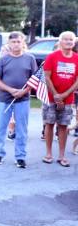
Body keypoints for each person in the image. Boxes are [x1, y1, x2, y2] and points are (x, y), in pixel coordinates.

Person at [0, 32, 37, 168]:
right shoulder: (3, 60)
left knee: (22, 129)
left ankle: (20, 156)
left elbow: (34, 79)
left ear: (23, 43)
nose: (16, 44)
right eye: (13, 42)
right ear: (9, 44)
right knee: (1, 127)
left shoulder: (30, 58)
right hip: (4, 98)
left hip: (23, 99)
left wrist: (24, 91)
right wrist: (10, 90)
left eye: (18, 41)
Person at [42, 31, 78, 167]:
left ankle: (61, 156)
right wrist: (56, 95)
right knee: (49, 124)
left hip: (68, 99)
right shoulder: (52, 56)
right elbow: (47, 77)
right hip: (51, 98)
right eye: (66, 39)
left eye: (71, 40)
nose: (69, 42)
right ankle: (48, 154)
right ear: (61, 41)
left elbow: (77, 81)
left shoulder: (77, 58)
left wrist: (64, 95)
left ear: (74, 42)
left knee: (63, 126)